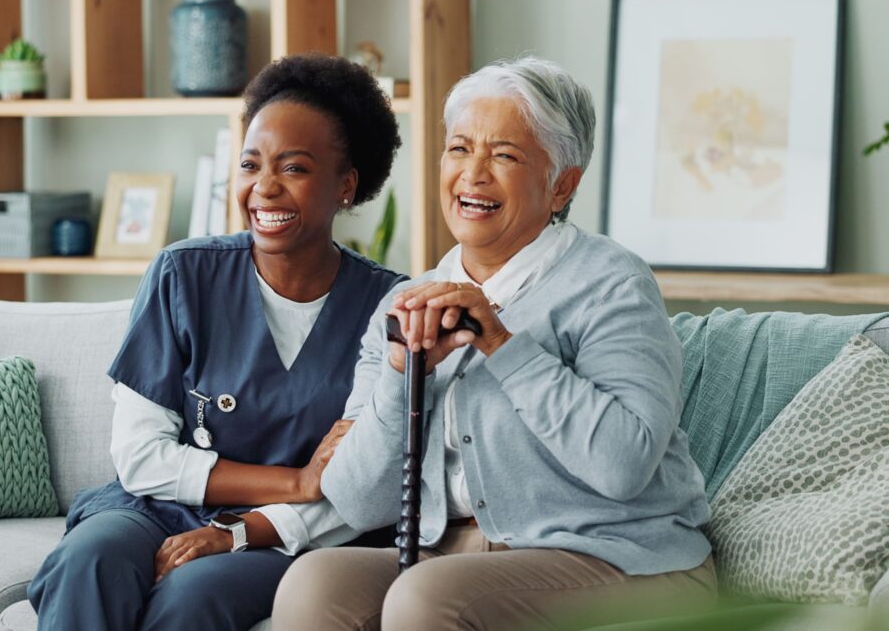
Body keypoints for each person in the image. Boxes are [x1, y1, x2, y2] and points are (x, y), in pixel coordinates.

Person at [271, 57, 716, 631]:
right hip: (451, 554)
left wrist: (503, 344)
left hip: (622, 558)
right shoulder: (408, 303)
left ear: (562, 185)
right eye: (459, 149)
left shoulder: (612, 283)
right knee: (315, 583)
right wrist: (403, 373)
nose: (473, 174)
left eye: (504, 155)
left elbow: (623, 463)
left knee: (427, 597)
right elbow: (357, 501)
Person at [28, 53, 406, 631]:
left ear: (346, 186)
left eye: (295, 168)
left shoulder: (388, 309)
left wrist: (246, 525)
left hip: (284, 534)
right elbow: (140, 457)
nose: (265, 188)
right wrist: (298, 479)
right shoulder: (184, 275)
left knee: (193, 595)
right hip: (155, 510)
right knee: (88, 561)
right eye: (250, 165)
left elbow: (367, 487)